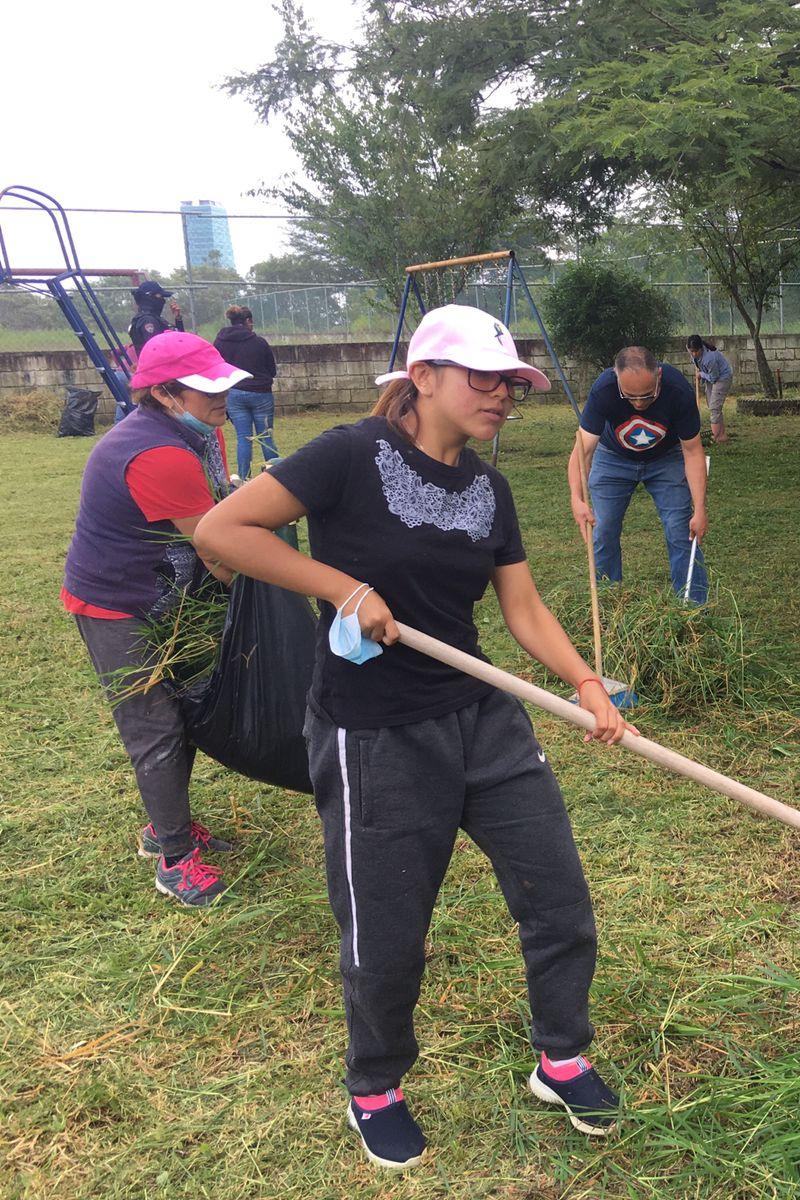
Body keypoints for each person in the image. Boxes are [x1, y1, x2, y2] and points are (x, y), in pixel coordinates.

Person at [193, 304, 632, 1169]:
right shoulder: (349, 453)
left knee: (557, 896)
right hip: (377, 733)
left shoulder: (489, 488)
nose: (502, 397)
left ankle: (562, 1054)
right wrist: (341, 587)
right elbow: (223, 532)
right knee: (387, 927)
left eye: (510, 384)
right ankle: (376, 1084)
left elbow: (522, 607)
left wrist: (585, 681)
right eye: (483, 379)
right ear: (422, 375)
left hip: (483, 714)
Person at [61, 332, 245, 907]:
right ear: (166, 393)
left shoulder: (197, 431)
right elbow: (219, 552)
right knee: (154, 727)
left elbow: (219, 505)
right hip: (117, 603)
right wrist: (277, 596)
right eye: (207, 388)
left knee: (185, 706)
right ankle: (173, 859)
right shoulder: (157, 453)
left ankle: (168, 825)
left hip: (166, 598)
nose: (224, 397)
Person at [568, 347, 709, 604]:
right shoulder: (604, 389)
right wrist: (576, 499)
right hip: (612, 459)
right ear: (616, 377)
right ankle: (608, 605)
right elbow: (583, 449)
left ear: (659, 375)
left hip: (666, 460)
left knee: (682, 531)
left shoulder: (678, 391)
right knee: (603, 530)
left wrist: (700, 508)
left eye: (647, 395)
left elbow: (692, 452)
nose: (639, 403)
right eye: (630, 397)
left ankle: (693, 609)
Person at [214, 305, 280, 478]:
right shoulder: (259, 342)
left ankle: (243, 477)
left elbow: (217, 367)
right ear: (248, 321)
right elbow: (272, 371)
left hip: (234, 394)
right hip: (261, 393)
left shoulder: (220, 341)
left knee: (243, 437)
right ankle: (276, 475)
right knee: (266, 436)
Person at [687, 334, 732, 443]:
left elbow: (713, 378)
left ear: (701, 348)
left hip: (721, 378)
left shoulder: (709, 358)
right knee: (711, 405)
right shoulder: (691, 350)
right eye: (691, 351)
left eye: (695, 351)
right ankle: (722, 435)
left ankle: (717, 438)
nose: (693, 354)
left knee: (714, 408)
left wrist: (701, 374)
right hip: (710, 376)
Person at [128, 280, 184, 354]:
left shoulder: (155, 318)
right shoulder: (147, 320)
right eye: (160, 297)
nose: (163, 300)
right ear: (149, 298)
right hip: (160, 365)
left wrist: (178, 318)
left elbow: (181, 340)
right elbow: (157, 351)